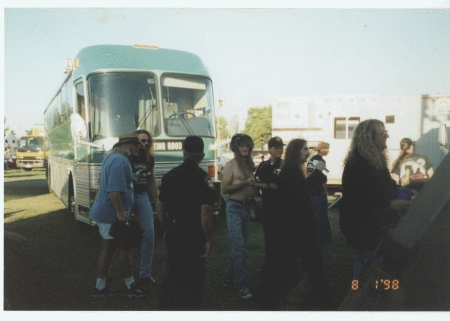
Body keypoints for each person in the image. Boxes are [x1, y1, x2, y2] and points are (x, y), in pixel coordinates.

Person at [339, 120, 412, 280]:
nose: (387, 135)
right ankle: (359, 303)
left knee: (377, 270)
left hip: (374, 228)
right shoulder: (358, 163)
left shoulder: (374, 159)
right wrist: (388, 205)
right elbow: (358, 199)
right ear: (370, 138)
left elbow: (386, 185)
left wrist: (405, 191)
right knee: (367, 275)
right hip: (362, 230)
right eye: (382, 133)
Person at [157, 135, 217, 310]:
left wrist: (166, 229)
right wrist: (208, 238)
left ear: (183, 152)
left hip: (175, 230)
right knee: (194, 277)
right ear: (201, 155)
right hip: (194, 233)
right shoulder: (203, 178)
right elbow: (205, 212)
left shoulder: (169, 176)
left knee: (172, 274)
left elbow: (160, 207)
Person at [89, 132, 141, 298]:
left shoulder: (111, 157)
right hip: (111, 215)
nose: (138, 149)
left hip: (105, 213)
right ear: (126, 146)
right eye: (135, 145)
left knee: (109, 249)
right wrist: (120, 211)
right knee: (124, 249)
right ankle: (130, 286)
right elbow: (114, 192)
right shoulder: (120, 161)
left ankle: (101, 287)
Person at [277, 139, 329, 300]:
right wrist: (319, 173)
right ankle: (322, 295)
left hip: (296, 224)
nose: (308, 152)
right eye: (305, 149)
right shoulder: (291, 170)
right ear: (296, 151)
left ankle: (283, 286)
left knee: (292, 260)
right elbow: (301, 193)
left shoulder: (294, 169)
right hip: (298, 225)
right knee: (313, 260)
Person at [221, 133, 256, 300]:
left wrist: (255, 193)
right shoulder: (230, 165)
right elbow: (225, 189)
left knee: (240, 247)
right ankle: (242, 285)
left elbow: (252, 186)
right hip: (234, 208)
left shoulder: (250, 165)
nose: (245, 148)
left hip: (246, 209)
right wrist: (244, 183)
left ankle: (229, 276)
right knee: (239, 247)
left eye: (247, 145)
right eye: (242, 145)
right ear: (235, 148)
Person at [128, 129, 159, 296]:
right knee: (121, 236)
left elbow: (152, 179)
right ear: (135, 142)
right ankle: (124, 277)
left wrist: (157, 199)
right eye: (142, 140)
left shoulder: (150, 158)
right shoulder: (128, 157)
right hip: (128, 195)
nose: (145, 143)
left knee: (150, 233)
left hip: (142, 196)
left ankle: (145, 275)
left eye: (147, 141)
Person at [254, 136, 284, 279]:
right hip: (267, 207)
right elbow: (256, 182)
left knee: (282, 239)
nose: (279, 150)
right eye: (276, 147)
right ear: (269, 149)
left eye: (281, 148)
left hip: (281, 208)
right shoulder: (263, 166)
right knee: (269, 239)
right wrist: (264, 186)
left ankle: (281, 269)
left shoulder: (285, 166)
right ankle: (269, 267)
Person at [307, 141, 332, 245]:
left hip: (311, 191)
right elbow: (323, 177)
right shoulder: (319, 160)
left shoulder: (312, 159)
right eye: (326, 149)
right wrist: (325, 189)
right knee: (321, 216)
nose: (328, 151)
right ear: (322, 150)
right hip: (318, 191)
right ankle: (323, 239)